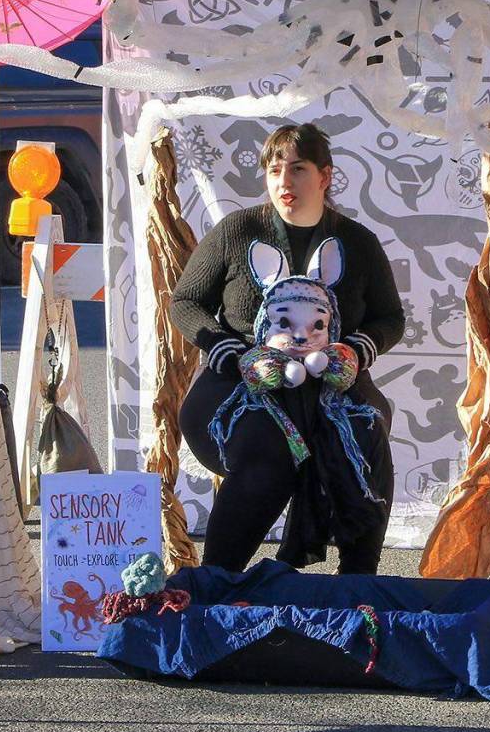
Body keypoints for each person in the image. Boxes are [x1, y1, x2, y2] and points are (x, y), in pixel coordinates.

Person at [172, 122, 405, 576]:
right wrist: (230, 353)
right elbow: (186, 302)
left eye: (297, 169)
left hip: (329, 381)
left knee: (365, 433)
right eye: (275, 170)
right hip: (240, 382)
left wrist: (355, 351)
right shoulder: (238, 231)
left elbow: (389, 318)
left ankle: (358, 581)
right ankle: (218, 580)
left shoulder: (357, 242)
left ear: (325, 176)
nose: (284, 181)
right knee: (269, 454)